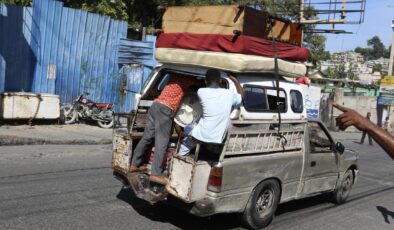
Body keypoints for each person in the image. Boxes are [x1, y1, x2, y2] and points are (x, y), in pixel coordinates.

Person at [130, 73, 195, 185]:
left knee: (147, 137)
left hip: (156, 105)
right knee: (162, 142)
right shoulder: (188, 78)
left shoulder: (173, 75)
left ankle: (134, 164)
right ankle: (155, 174)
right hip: (166, 109)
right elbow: (196, 89)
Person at [179, 69, 243, 155]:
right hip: (218, 138)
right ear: (220, 81)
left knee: (187, 131)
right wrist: (236, 80)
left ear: (205, 81)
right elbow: (242, 97)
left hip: (200, 135)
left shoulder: (201, 91)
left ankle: (181, 155)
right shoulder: (229, 94)